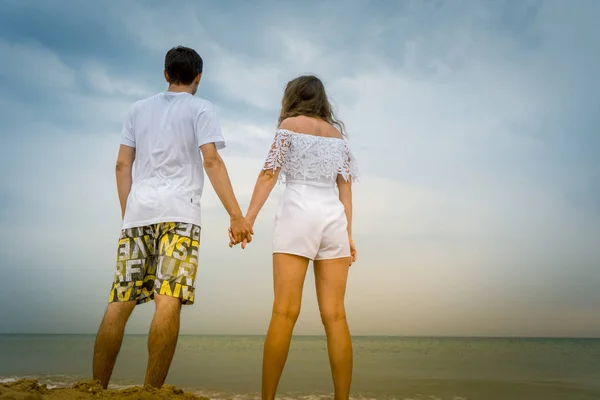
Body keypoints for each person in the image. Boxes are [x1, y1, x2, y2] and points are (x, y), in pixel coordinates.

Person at [92, 46, 253, 389]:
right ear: (199, 77)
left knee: (120, 301)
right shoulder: (201, 108)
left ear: (165, 74)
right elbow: (211, 161)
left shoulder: (137, 110)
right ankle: (151, 391)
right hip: (180, 214)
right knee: (169, 300)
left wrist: (129, 214)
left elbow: (122, 165)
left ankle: (95, 389)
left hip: (137, 215)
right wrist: (237, 217)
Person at [230, 75, 358, 400]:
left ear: (293, 97)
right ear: (322, 101)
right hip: (333, 219)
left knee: (284, 312)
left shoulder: (289, 125)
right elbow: (346, 189)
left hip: (298, 212)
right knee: (337, 316)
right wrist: (349, 234)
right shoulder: (337, 136)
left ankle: (268, 399)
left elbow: (269, 173)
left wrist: (247, 219)